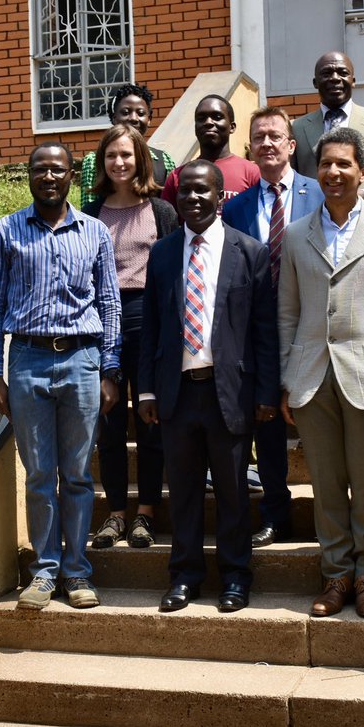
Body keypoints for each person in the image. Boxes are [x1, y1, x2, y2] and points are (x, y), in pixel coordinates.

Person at [0, 142, 121, 610]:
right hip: (27, 361)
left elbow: (109, 305)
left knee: (78, 475)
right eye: (40, 169)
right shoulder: (6, 232)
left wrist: (109, 368)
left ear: (71, 176)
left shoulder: (95, 232)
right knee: (40, 473)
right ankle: (44, 571)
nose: (49, 177)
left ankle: (78, 571)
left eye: (57, 170)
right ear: (29, 175)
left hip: (82, 360)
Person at [278, 126, 364, 617]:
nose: (333, 173)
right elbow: (287, 313)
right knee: (327, 485)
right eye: (326, 164)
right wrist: (287, 381)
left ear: (363, 171)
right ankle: (336, 576)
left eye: (344, 165)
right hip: (311, 376)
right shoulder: (295, 234)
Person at [139, 160, 280, 614]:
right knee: (181, 491)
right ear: (176, 201)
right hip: (178, 393)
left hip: (231, 392)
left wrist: (264, 393)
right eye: (186, 193)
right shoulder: (162, 254)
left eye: (204, 192)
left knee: (233, 491)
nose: (194, 199)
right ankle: (185, 576)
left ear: (222, 198)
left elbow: (264, 330)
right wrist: (145, 391)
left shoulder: (251, 252)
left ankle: (236, 577)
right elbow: (153, 327)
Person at [222, 106, 323, 547]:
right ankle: (275, 515)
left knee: (321, 428)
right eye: (258, 136)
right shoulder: (236, 207)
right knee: (266, 429)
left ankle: (332, 518)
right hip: (257, 334)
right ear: (250, 147)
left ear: (291, 144)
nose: (266, 143)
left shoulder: (320, 193)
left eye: (274, 136)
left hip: (313, 328)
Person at [82, 125, 179, 549]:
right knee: (109, 422)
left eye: (126, 154)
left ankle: (145, 514)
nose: (118, 162)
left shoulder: (162, 211)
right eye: (110, 156)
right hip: (103, 321)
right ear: (101, 163)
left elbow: (173, 274)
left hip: (149, 319)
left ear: (141, 158)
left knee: (150, 421)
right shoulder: (90, 214)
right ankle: (116, 514)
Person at [291, 51, 364, 210]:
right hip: (313, 222)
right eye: (327, 73)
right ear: (315, 82)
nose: (335, 78)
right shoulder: (295, 128)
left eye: (343, 73)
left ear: (353, 80)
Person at [79, 84, 177, 207]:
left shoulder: (164, 160)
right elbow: (89, 213)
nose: (134, 118)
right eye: (125, 112)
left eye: (141, 113)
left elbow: (171, 210)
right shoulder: (94, 161)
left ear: (149, 119)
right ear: (114, 118)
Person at [160, 95, 260, 207]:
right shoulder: (177, 176)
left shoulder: (253, 173)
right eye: (201, 118)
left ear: (232, 127)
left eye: (217, 117)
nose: (208, 122)